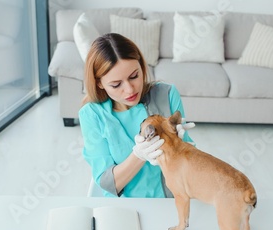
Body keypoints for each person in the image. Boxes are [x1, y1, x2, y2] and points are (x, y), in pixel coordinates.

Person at [79, 33, 195, 198]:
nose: (130, 89)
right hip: (122, 206)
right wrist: (139, 155)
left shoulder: (166, 95)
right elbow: (108, 183)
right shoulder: (92, 114)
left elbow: (188, 169)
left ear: (142, 67)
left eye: (134, 76)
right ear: (100, 83)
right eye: (116, 84)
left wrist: (182, 147)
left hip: (170, 201)